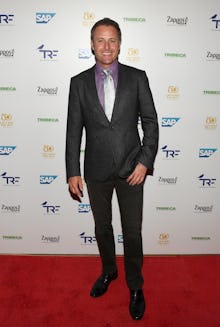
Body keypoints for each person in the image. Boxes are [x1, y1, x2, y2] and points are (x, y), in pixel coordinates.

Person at [66, 18, 158, 320]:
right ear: (92, 44)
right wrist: (72, 171)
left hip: (132, 169)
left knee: (132, 232)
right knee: (102, 229)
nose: (107, 46)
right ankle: (108, 271)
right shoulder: (78, 83)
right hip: (95, 171)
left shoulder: (137, 78)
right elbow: (73, 131)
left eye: (112, 40)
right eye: (100, 40)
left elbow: (151, 123)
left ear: (120, 43)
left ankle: (135, 285)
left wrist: (145, 162)